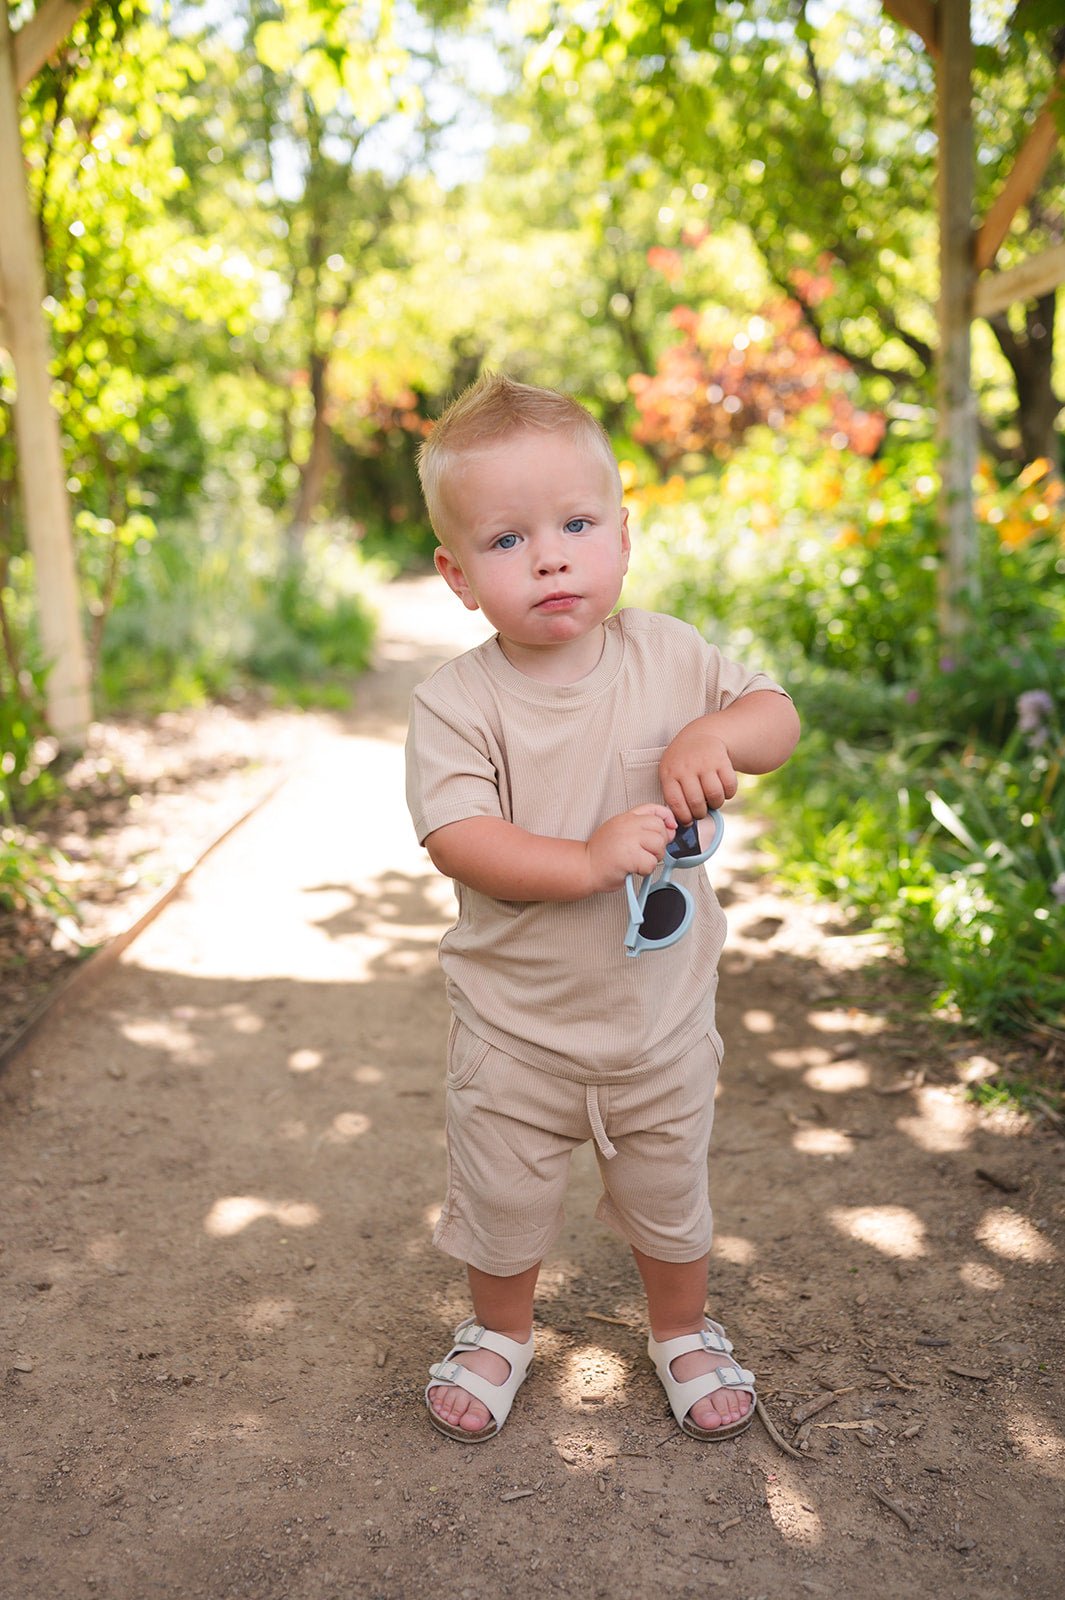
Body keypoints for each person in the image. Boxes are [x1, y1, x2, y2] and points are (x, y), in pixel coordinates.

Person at [405, 373, 800, 1443]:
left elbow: (777, 714)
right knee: (503, 1195)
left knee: (671, 1190)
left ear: (623, 535)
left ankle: (680, 1328)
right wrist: (583, 860)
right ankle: (500, 1330)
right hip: (517, 1028)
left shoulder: (671, 658)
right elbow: (458, 838)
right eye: (506, 539)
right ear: (455, 574)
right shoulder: (458, 703)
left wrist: (714, 737)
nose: (549, 554)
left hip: (657, 1024)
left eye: (578, 523)